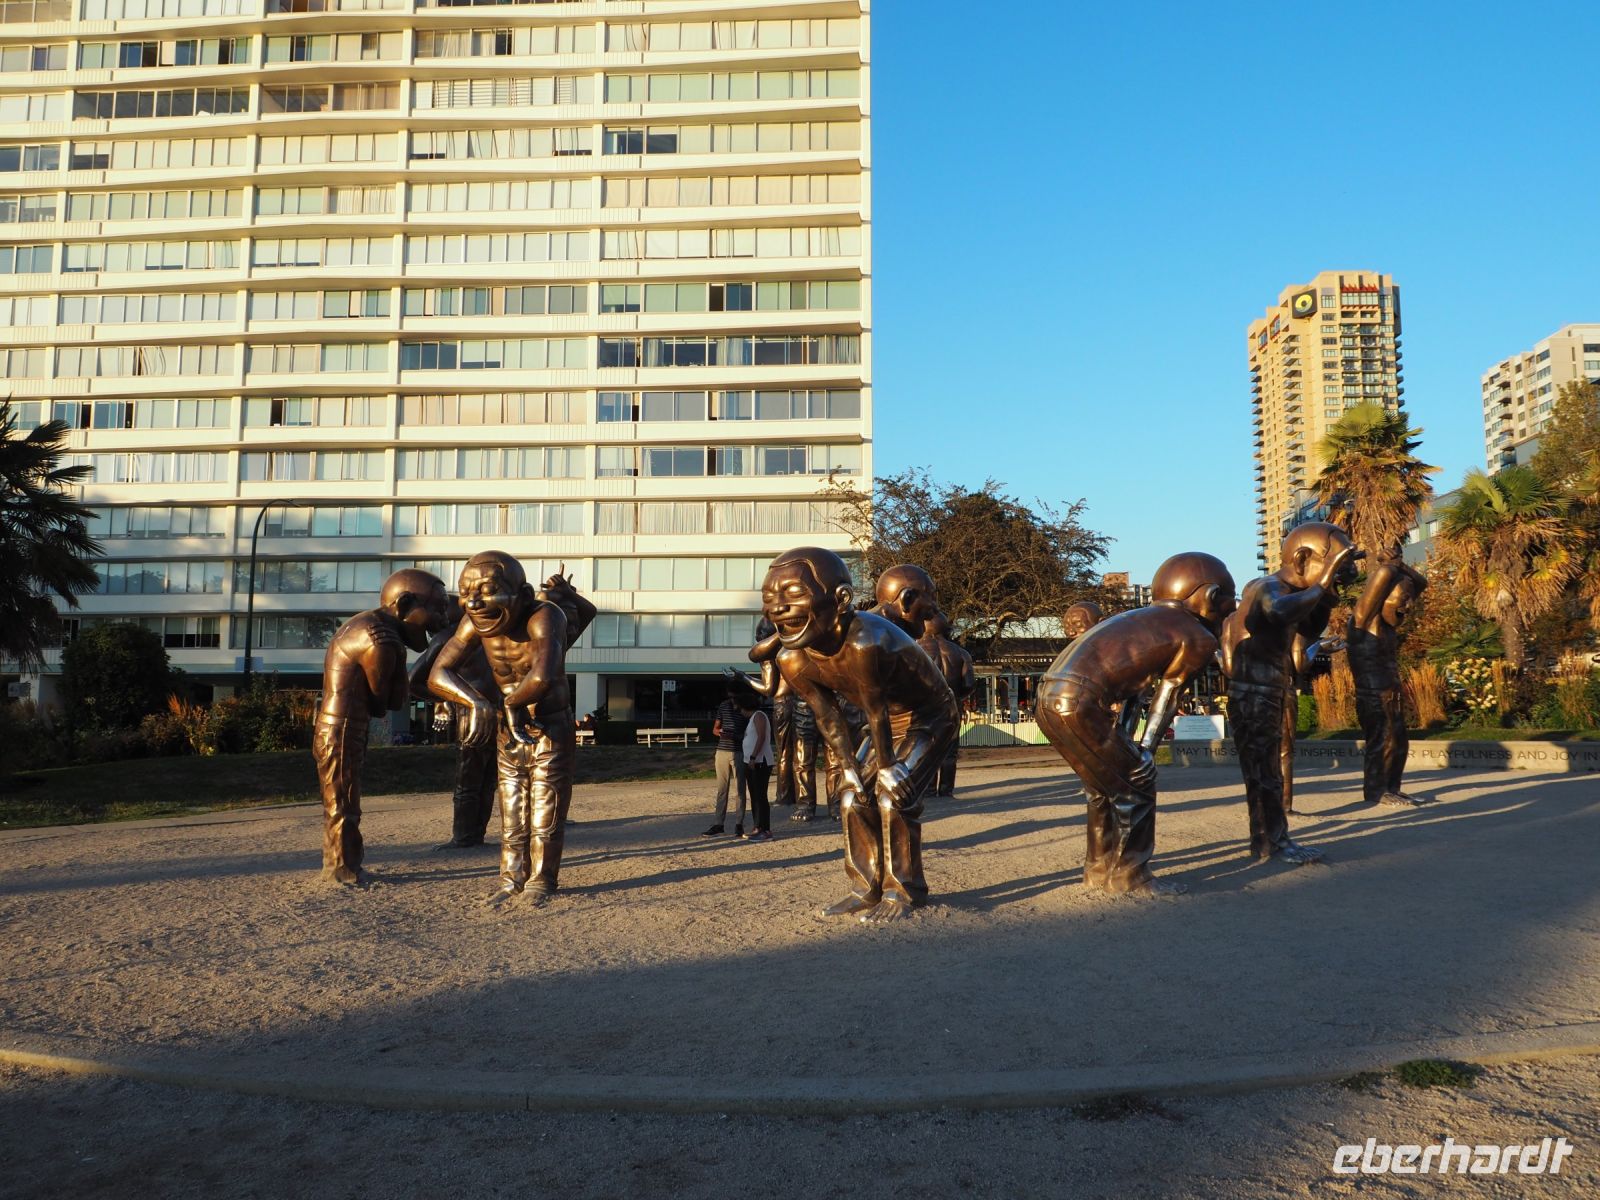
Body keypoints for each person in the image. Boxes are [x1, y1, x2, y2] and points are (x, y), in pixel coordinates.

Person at [761, 546, 958, 923]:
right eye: (770, 598)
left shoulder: (865, 641)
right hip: (886, 722)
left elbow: (875, 708)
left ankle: (903, 890)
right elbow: (827, 715)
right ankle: (864, 885)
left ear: (841, 599)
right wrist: (849, 766)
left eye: (794, 594)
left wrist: (887, 768)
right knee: (851, 795)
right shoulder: (792, 657)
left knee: (892, 796)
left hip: (930, 717)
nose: (779, 608)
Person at [1037, 553, 1236, 895]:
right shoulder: (1196, 637)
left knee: (1103, 788)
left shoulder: (1138, 618)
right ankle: (1131, 876)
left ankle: (1098, 870)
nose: (1233, 608)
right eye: (1229, 597)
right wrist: (1146, 751)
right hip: (1081, 702)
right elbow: (1168, 697)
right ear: (1210, 595)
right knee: (1137, 785)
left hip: (1049, 695)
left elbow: (1135, 693)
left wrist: (1130, 742)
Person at [427, 552, 596, 910]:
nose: (473, 602)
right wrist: (476, 702)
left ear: (522, 593)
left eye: (488, 591)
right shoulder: (474, 622)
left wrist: (511, 703)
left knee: (544, 809)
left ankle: (542, 879)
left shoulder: (544, 615)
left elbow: (543, 674)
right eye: (466, 592)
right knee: (513, 809)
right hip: (508, 731)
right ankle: (511, 877)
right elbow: (438, 673)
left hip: (549, 725)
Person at [1220, 522, 1360, 863]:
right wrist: (1325, 580)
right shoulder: (1269, 588)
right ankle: (1274, 843)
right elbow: (1278, 613)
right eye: (1331, 564)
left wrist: (1326, 591)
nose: (1337, 574)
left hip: (1263, 690)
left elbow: (1307, 631)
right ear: (1300, 559)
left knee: (1265, 772)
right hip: (1255, 692)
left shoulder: (1284, 590)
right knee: (1266, 773)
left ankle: (1269, 841)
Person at [314, 568, 450, 885]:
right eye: (437, 609)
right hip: (344, 728)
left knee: (340, 799)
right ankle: (343, 869)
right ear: (403, 605)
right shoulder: (381, 640)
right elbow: (386, 703)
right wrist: (413, 659)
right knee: (343, 800)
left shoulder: (365, 624)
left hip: (337, 725)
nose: (442, 619)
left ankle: (341, 863)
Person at [410, 596, 500, 850]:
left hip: (471, 713)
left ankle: (465, 837)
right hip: (493, 711)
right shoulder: (493, 635)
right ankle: (474, 834)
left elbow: (414, 680)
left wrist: (447, 699)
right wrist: (445, 700)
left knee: (470, 779)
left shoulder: (449, 638)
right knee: (484, 779)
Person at [1349, 553, 1428, 806]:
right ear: (1382, 597)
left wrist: (1402, 566)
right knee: (1379, 742)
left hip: (1391, 693)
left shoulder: (1389, 627)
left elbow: (1422, 583)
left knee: (1399, 743)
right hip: (1372, 694)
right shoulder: (1364, 620)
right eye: (1404, 599)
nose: (1408, 606)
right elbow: (1383, 574)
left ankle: (1393, 788)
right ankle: (1376, 792)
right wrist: (1390, 565)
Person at [703, 684, 748, 836]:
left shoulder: (745, 708)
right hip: (722, 750)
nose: (733, 699)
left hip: (739, 751)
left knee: (740, 790)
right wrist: (721, 732)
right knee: (722, 789)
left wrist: (738, 736)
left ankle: (739, 824)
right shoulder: (724, 706)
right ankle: (718, 823)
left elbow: (750, 733)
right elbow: (715, 729)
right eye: (731, 695)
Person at [740, 694, 775, 841]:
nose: (739, 710)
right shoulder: (752, 718)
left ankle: (765, 829)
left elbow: (761, 737)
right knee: (754, 796)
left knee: (761, 796)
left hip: (761, 761)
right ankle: (757, 826)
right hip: (750, 761)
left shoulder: (759, 716)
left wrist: (754, 756)